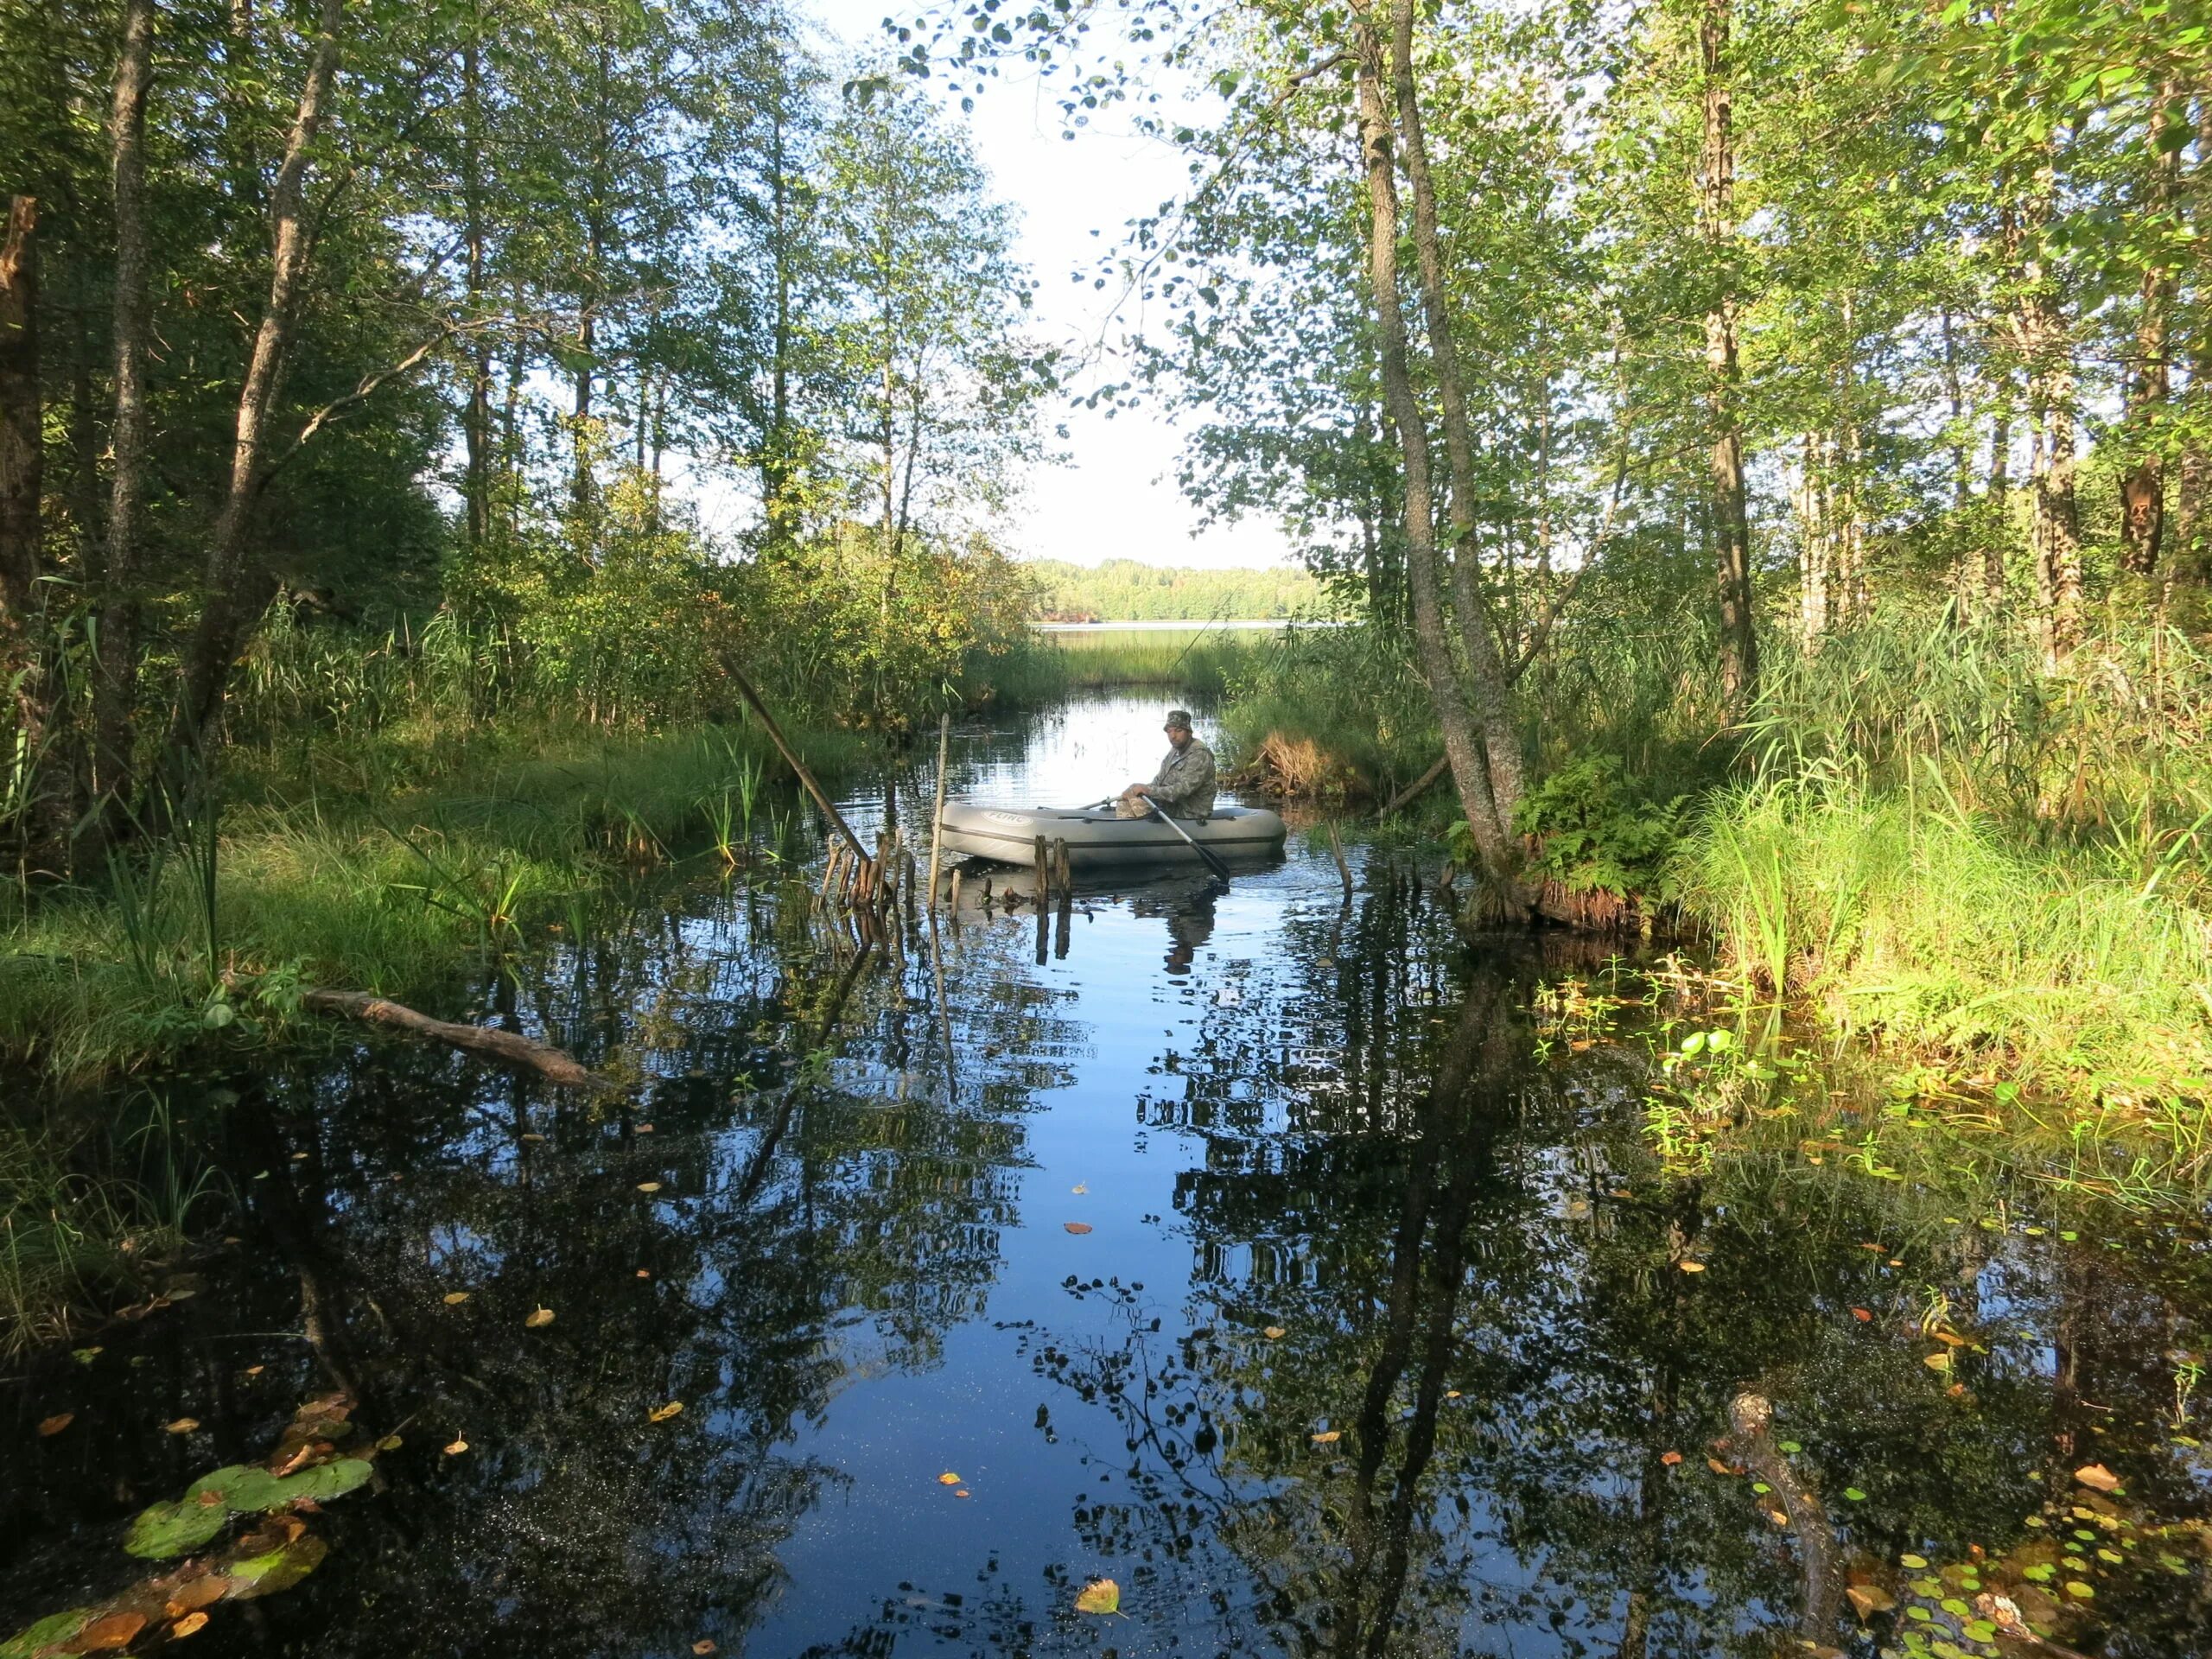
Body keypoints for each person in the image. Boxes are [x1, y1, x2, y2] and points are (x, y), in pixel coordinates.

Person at [1118, 709, 1217, 820]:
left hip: (1190, 811)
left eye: (1178, 730)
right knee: (1128, 795)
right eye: (1169, 731)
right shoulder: (1174, 751)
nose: (1173, 736)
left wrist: (1149, 791)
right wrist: (1137, 788)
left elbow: (1184, 789)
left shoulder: (1199, 755)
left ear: (1189, 732)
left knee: (1137, 802)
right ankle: (1127, 829)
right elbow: (1158, 781)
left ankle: (1133, 830)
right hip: (1171, 805)